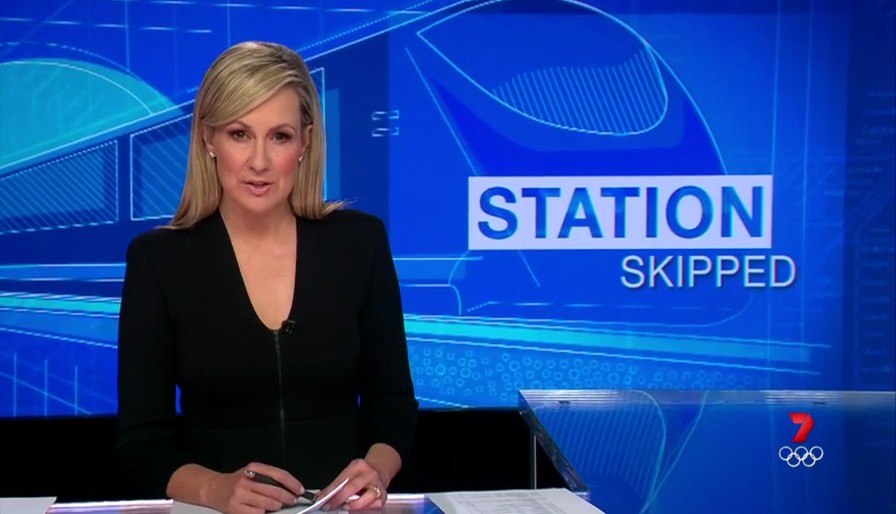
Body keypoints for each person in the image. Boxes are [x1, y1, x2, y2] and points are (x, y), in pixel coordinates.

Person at [115, 41, 418, 514]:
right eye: (240, 134)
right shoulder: (158, 260)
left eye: (279, 136)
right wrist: (216, 489)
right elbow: (141, 439)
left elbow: (393, 404)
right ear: (208, 139)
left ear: (305, 143)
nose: (259, 161)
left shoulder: (360, 242)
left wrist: (376, 471)